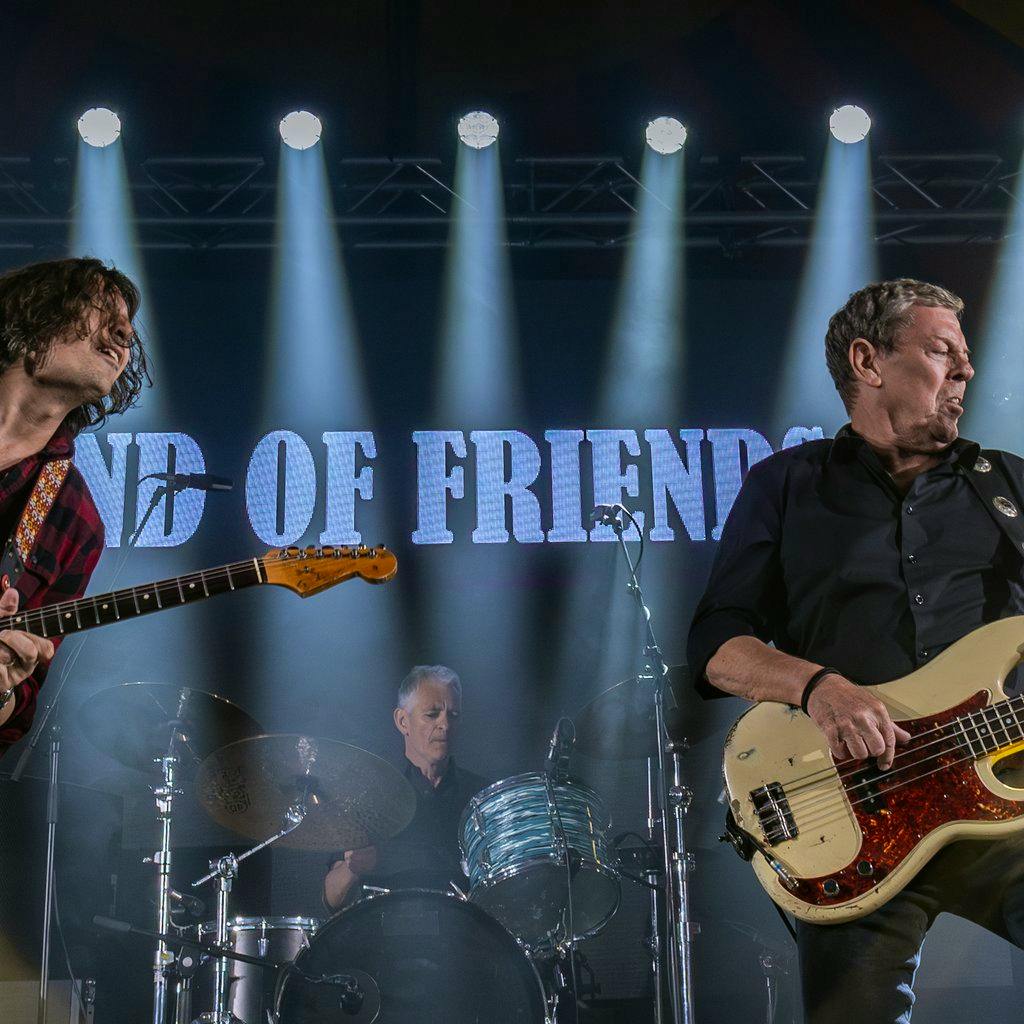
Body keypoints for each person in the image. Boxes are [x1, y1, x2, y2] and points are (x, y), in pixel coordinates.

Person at [687, 278, 1024, 1022]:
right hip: (855, 814)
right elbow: (717, 646)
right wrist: (818, 687)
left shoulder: (1005, 486)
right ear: (868, 363)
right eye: (943, 353)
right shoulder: (786, 485)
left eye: (967, 358)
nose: (966, 372)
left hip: (1005, 799)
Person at [0, 257, 147, 756]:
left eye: (126, 324)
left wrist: (3, 685)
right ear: (32, 313)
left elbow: (14, 716)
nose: (124, 332)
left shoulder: (76, 519)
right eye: (101, 309)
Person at [323, 665, 489, 911]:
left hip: (464, 938)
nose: (445, 724)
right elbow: (331, 899)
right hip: (387, 937)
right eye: (432, 714)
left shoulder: (482, 796)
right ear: (403, 721)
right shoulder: (369, 794)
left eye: (453, 715)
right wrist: (352, 868)